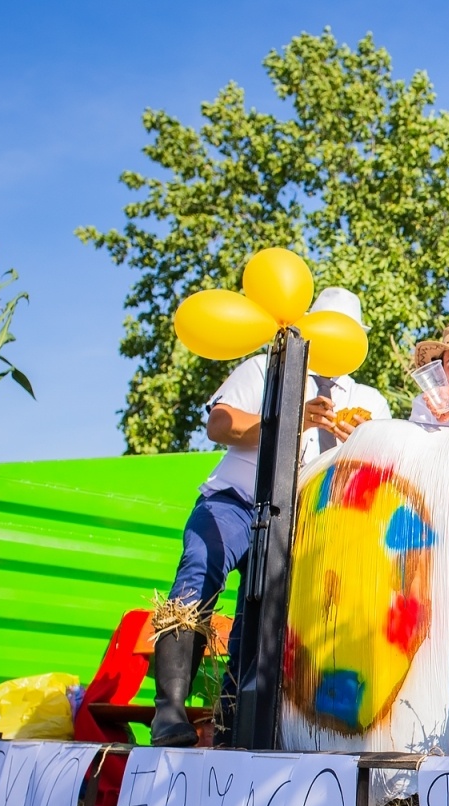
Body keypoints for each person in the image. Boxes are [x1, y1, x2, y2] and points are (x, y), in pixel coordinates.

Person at [150, 287, 391, 746]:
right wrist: (291, 418)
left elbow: (378, 470)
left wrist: (363, 441)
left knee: (260, 625)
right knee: (197, 579)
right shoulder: (268, 367)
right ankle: (170, 714)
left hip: (301, 526)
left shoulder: (370, 400)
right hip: (235, 499)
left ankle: (230, 731)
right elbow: (219, 425)